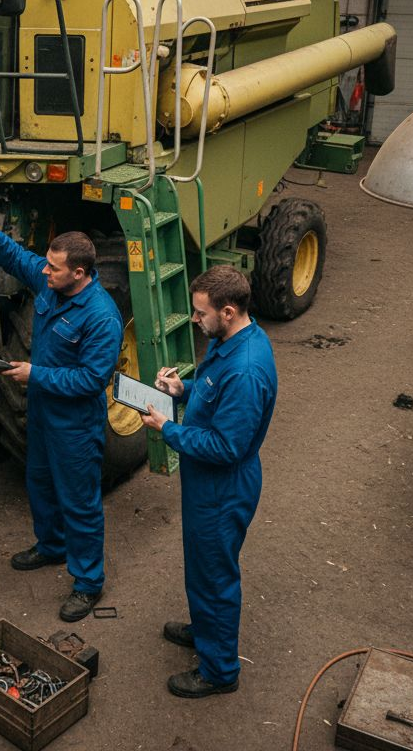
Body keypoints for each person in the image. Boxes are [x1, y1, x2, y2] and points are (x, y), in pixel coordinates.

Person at [0, 215, 124, 622]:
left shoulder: (101, 317)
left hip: (75, 425)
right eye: (48, 264)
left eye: (54, 268)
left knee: (80, 503)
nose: (45, 272)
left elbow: (91, 380)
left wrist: (35, 374)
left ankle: (88, 582)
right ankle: (52, 546)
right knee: (39, 481)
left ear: (79, 273)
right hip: (41, 412)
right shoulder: (52, 283)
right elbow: (21, 260)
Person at [139, 265, 277, 698]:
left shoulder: (247, 370)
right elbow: (212, 388)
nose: (195, 320)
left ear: (229, 311)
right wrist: (183, 390)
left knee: (215, 577)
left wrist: (167, 429)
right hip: (208, 485)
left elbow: (225, 447)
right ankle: (205, 630)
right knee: (202, 568)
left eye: (201, 313)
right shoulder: (230, 341)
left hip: (223, 489)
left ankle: (219, 671)